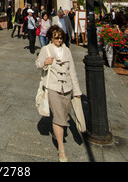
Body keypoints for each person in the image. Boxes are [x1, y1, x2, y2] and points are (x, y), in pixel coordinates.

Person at [35, 25, 82, 162]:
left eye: (61, 38)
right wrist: (45, 62)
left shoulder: (67, 51)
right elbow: (38, 64)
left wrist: (77, 91)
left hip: (66, 88)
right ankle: (61, 150)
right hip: (52, 87)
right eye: (56, 38)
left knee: (65, 116)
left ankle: (57, 134)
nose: (59, 40)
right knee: (59, 117)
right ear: (51, 38)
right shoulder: (46, 49)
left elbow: (72, 71)